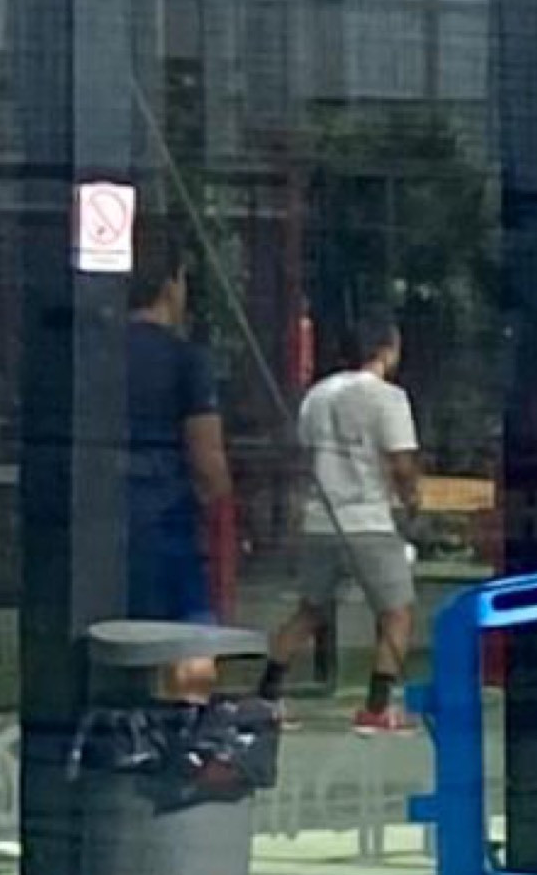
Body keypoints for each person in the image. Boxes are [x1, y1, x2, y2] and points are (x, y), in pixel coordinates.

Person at [261, 309, 421, 733]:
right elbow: (401, 461)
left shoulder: (316, 396)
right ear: (386, 350)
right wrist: (411, 499)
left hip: (320, 518)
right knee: (397, 614)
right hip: (368, 520)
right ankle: (377, 707)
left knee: (308, 612)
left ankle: (266, 697)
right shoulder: (388, 398)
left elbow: (305, 455)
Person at [126, 225, 233, 623]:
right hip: (166, 517)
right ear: (172, 285)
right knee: (191, 633)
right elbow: (207, 460)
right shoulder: (186, 360)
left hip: (98, 514)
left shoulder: (91, 354)